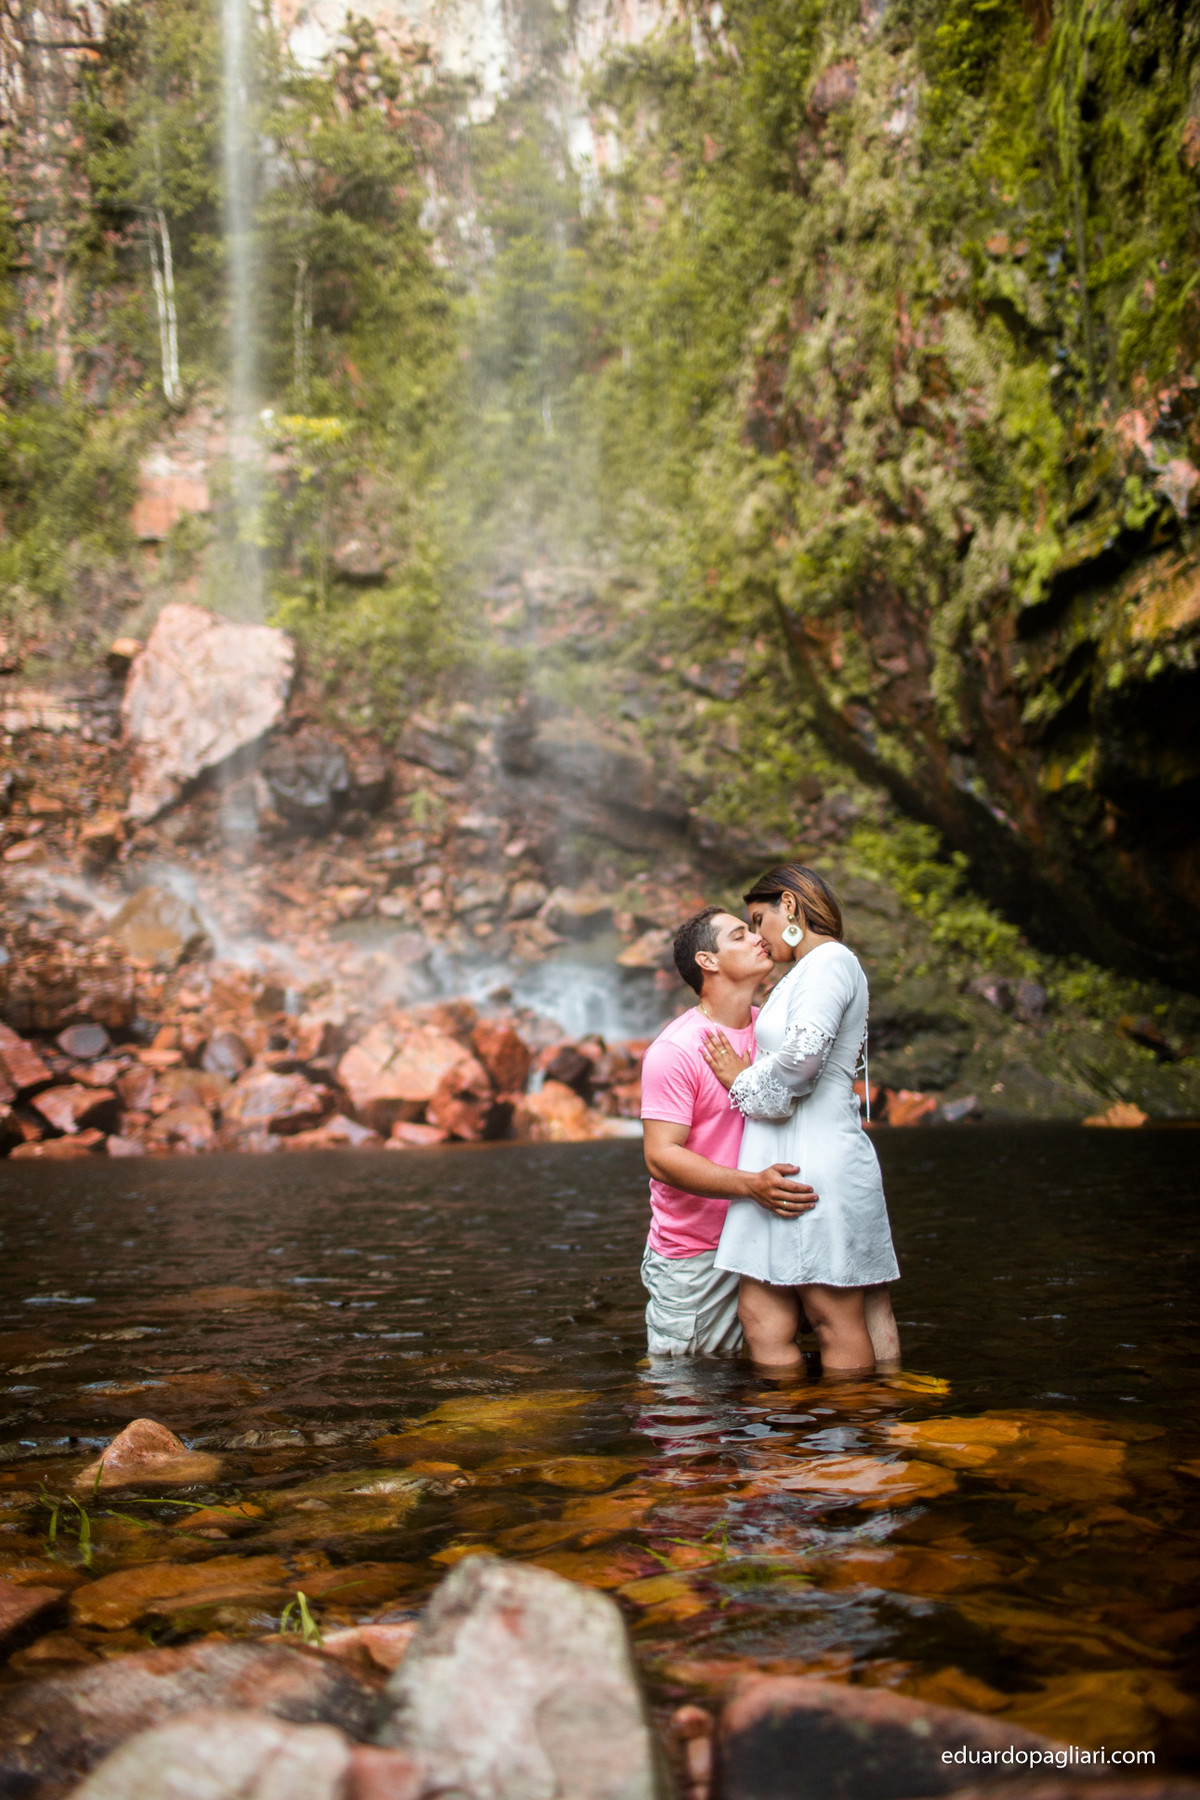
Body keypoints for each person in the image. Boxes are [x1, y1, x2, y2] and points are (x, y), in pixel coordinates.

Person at [702, 865, 901, 1374]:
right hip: (781, 1162)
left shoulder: (831, 961)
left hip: (815, 1161)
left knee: (832, 1316)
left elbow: (804, 1061)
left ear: (789, 907)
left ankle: (846, 1441)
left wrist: (740, 1082)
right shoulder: (806, 971)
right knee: (760, 1316)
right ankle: (789, 1444)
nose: (760, 937)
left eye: (758, 919)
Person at [639, 907, 818, 1357]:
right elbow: (661, 1156)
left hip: (771, 1230)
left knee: (771, 1383)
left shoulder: (773, 1031)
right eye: (739, 935)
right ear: (708, 961)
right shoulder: (676, 1050)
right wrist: (750, 1186)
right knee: (691, 1396)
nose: (759, 938)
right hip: (699, 1251)